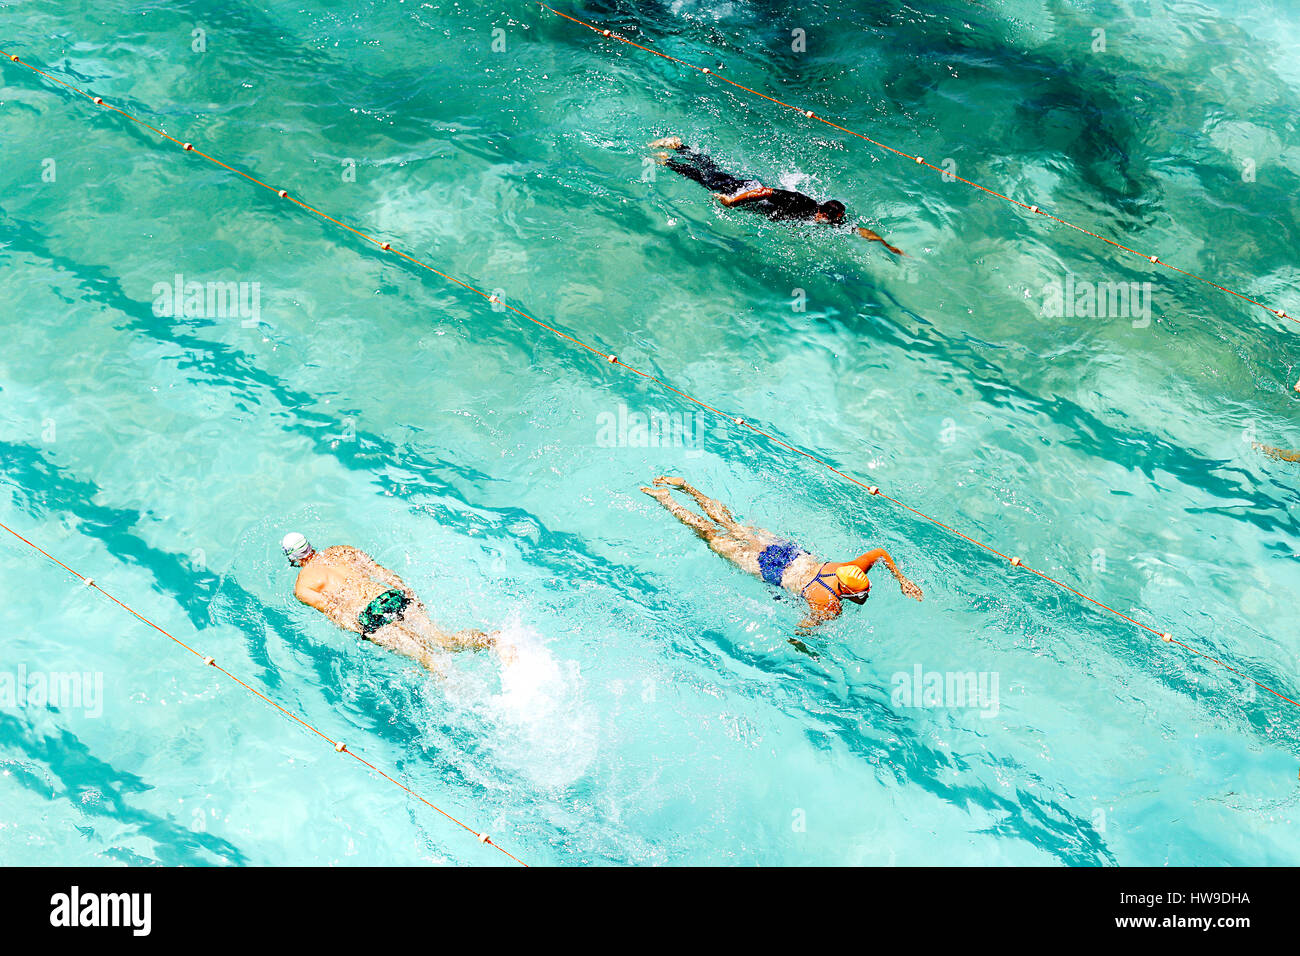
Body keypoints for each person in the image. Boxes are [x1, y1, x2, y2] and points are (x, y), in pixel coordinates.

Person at [639, 476, 922, 629]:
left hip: (786, 552)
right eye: (861, 594)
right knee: (710, 536)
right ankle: (667, 499)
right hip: (773, 568)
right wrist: (804, 641)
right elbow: (803, 627)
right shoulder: (828, 605)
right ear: (847, 592)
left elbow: (880, 553)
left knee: (732, 525)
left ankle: (687, 486)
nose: (865, 596)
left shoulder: (850, 568)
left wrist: (901, 579)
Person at [281, 533, 505, 673]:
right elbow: (382, 572)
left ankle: (463, 695)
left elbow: (337, 614)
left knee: (426, 657)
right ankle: (494, 640)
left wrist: (364, 632)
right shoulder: (342, 551)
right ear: (309, 545)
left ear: (293, 558)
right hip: (390, 596)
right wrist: (408, 592)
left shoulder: (303, 587)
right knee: (444, 639)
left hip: (369, 616)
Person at [649, 136, 904, 254]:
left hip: (752, 196)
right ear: (824, 213)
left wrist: (885, 244)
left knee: (708, 176)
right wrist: (732, 202)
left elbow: (857, 230)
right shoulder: (802, 203)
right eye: (834, 219)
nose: (835, 224)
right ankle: (676, 149)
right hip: (746, 192)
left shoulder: (824, 217)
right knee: (709, 177)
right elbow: (765, 192)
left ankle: (671, 157)